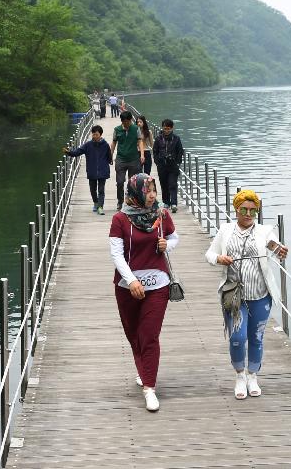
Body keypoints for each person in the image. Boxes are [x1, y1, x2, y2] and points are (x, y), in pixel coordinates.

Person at [204, 190, 289, 400]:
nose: (248, 214)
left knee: (256, 338)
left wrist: (281, 251)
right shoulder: (225, 230)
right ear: (236, 209)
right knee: (237, 338)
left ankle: (253, 375)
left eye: (253, 210)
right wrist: (220, 259)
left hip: (260, 295)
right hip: (234, 296)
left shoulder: (265, 231)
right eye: (244, 209)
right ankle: (239, 374)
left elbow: (274, 249)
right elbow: (209, 254)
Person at [109, 174, 179, 412]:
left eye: (154, 190)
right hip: (127, 286)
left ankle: (149, 387)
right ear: (136, 192)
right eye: (147, 191)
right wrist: (131, 280)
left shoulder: (161, 214)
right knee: (134, 334)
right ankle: (144, 369)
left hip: (158, 283)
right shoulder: (120, 219)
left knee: (149, 335)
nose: (152, 195)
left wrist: (166, 245)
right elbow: (117, 255)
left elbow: (174, 237)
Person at [63, 125, 112, 215]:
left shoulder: (105, 145)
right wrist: (69, 152)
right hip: (92, 170)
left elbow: (109, 156)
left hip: (102, 171)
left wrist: (110, 162)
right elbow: (78, 151)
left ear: (100, 134)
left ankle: (100, 207)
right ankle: (96, 202)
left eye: (96, 134)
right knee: (92, 189)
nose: (94, 136)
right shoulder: (88, 145)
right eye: (93, 134)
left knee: (101, 190)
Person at [110, 111, 144, 211]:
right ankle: (120, 201)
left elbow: (140, 141)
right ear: (122, 121)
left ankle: (131, 201)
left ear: (130, 120)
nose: (126, 124)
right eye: (124, 122)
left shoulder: (135, 129)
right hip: (121, 159)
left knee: (132, 182)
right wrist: (110, 155)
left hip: (134, 159)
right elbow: (113, 143)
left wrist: (142, 154)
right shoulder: (117, 130)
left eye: (128, 122)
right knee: (120, 182)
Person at [152, 119, 184, 213]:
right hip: (162, 165)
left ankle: (174, 203)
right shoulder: (158, 139)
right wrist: (157, 162)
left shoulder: (176, 139)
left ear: (172, 128)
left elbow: (180, 151)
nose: (166, 131)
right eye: (165, 128)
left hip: (173, 165)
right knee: (164, 184)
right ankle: (166, 202)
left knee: (172, 184)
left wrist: (177, 162)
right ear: (162, 128)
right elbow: (155, 151)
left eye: (168, 129)